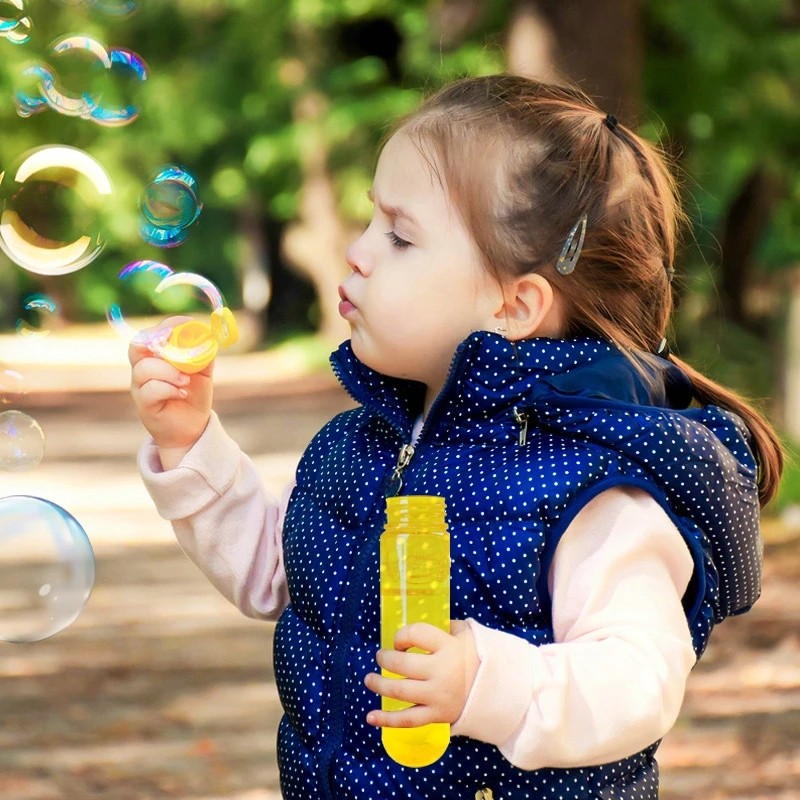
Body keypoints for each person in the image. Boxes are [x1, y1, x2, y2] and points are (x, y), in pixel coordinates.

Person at [129, 74, 783, 800]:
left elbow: (639, 679)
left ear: (514, 304)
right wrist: (192, 445)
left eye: (401, 235)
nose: (357, 251)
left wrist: (488, 681)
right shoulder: (360, 447)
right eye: (372, 221)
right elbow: (276, 575)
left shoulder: (589, 488)